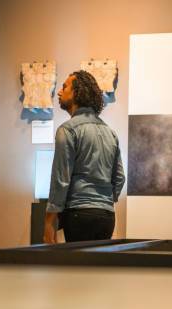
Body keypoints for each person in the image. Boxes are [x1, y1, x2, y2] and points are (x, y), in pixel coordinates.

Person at [44, 70, 125, 243]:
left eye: (65, 87)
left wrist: (49, 222)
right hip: (106, 216)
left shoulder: (67, 130)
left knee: (76, 269)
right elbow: (119, 178)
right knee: (97, 269)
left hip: (79, 215)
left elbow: (61, 180)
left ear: (77, 93)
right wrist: (104, 200)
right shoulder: (110, 132)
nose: (59, 92)